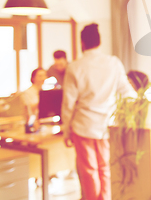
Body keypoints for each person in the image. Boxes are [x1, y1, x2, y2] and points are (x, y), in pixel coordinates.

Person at [62, 23, 136, 200]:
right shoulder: (113, 63)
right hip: (106, 125)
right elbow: (128, 92)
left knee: (89, 171)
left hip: (83, 126)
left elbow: (68, 104)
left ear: (82, 43)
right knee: (104, 168)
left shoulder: (75, 67)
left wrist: (66, 130)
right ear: (100, 42)